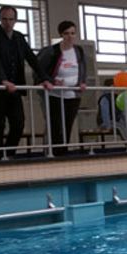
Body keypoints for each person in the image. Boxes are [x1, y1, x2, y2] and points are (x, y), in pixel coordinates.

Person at [0, 5, 50, 159]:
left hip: (15, 88)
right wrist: (3, 80)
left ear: (15, 20)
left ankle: (9, 154)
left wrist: (45, 78)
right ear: (0, 19)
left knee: (19, 123)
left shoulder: (19, 37)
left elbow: (32, 59)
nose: (7, 22)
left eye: (11, 19)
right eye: (4, 19)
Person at [37, 20, 87, 155]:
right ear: (61, 34)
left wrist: (82, 82)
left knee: (68, 126)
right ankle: (52, 153)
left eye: (72, 33)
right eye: (66, 33)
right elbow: (39, 70)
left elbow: (83, 68)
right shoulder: (51, 51)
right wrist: (49, 81)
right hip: (55, 95)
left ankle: (62, 153)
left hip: (73, 95)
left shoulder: (79, 51)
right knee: (55, 126)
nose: (70, 36)